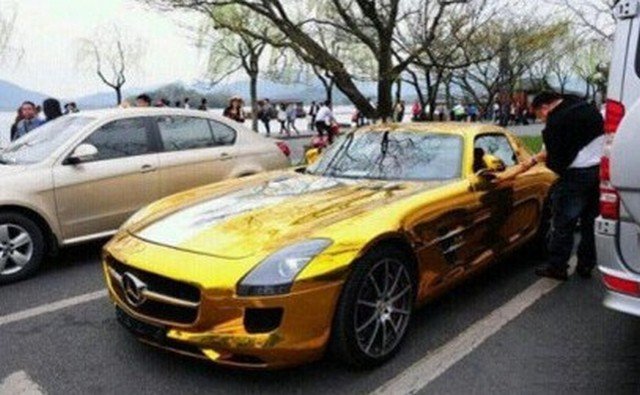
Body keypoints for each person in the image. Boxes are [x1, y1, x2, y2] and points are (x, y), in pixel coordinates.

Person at [508, 92, 604, 280]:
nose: (542, 120)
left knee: (563, 223)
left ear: (544, 107)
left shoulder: (557, 122)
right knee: (590, 223)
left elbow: (556, 161)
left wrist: (537, 160)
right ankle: (586, 265)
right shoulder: (585, 107)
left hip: (575, 175)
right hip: (598, 171)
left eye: (539, 116)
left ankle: (558, 267)